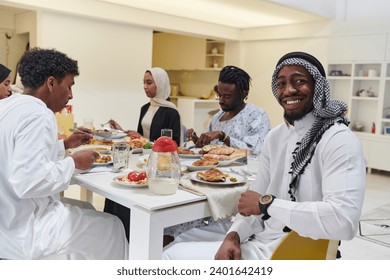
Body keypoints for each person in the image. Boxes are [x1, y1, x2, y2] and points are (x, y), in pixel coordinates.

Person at [163, 51, 366, 260]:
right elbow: (256, 197)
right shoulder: (276, 137)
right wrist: (234, 235)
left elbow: (344, 221)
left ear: (318, 87)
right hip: (262, 232)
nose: (289, 90)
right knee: (178, 239)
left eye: (299, 81)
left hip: (292, 249)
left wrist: (267, 204)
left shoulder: (338, 139)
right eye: (281, 83)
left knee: (171, 256)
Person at [0, 48, 128, 260]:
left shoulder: (8, 106)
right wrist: (73, 163)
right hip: (23, 230)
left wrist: (64, 145)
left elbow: (14, 154)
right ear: (51, 83)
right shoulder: (39, 113)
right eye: (69, 86)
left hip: (6, 219)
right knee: (112, 226)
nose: (70, 95)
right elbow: (29, 182)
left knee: (86, 207)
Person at [186, 65, 271, 155]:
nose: (221, 101)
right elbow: (210, 150)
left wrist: (224, 137)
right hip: (214, 168)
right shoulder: (217, 118)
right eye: (219, 95)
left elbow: (255, 152)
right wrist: (198, 141)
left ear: (243, 94)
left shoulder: (257, 116)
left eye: (227, 96)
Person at [108, 67, 182, 146]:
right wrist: (121, 131)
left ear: (161, 84)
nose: (145, 86)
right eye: (144, 82)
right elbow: (139, 139)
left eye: (149, 83)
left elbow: (173, 145)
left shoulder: (171, 112)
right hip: (143, 156)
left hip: (160, 157)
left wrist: (145, 140)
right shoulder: (145, 108)